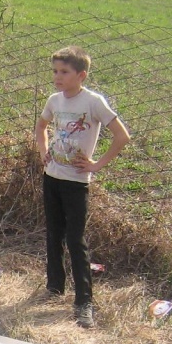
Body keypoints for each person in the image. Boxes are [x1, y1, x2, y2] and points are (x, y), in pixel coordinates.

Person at [34, 46, 130, 328]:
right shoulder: (54, 100)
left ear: (81, 75)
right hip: (52, 177)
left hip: (76, 183)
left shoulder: (93, 102)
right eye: (55, 71)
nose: (57, 77)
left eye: (64, 72)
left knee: (76, 240)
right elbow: (41, 127)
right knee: (53, 233)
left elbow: (121, 136)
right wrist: (43, 152)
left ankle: (83, 302)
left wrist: (97, 165)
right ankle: (54, 287)